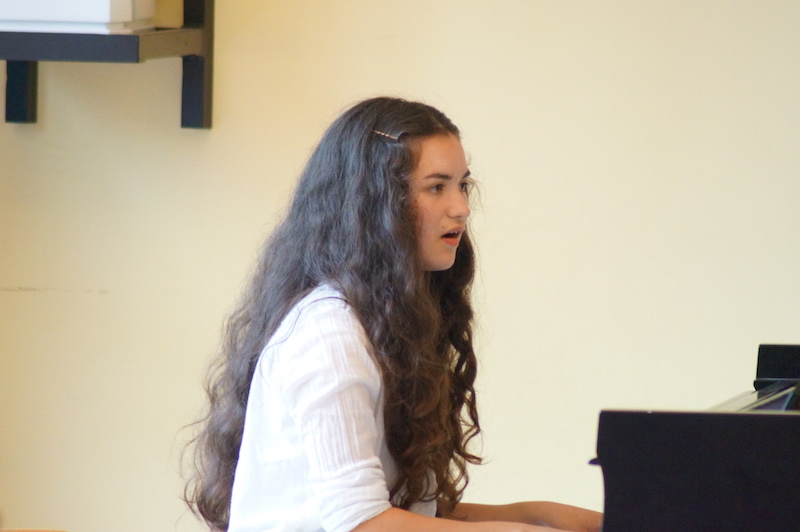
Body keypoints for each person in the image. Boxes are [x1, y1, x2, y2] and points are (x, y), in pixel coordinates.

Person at [184, 97, 603, 532]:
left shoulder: (384, 321)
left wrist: (546, 516)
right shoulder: (330, 334)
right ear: (376, 203)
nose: (461, 207)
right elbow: (361, 522)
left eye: (462, 185)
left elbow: (412, 513)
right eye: (436, 187)